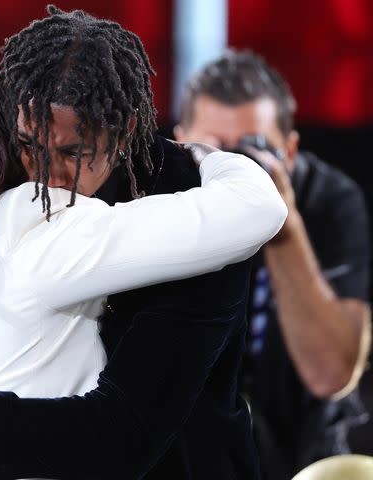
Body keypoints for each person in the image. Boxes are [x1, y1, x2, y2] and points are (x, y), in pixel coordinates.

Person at [0, 7, 284, 479]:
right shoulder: (11, 187)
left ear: (124, 134)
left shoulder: (189, 210)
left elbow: (120, 434)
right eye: (27, 146)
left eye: (72, 154)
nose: (48, 176)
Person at [173, 50, 372, 479]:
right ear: (178, 141)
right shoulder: (155, 193)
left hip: (306, 441)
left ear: (291, 152)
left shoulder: (331, 202)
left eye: (251, 150)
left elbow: (332, 374)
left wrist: (282, 226)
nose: (230, 169)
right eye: (210, 150)